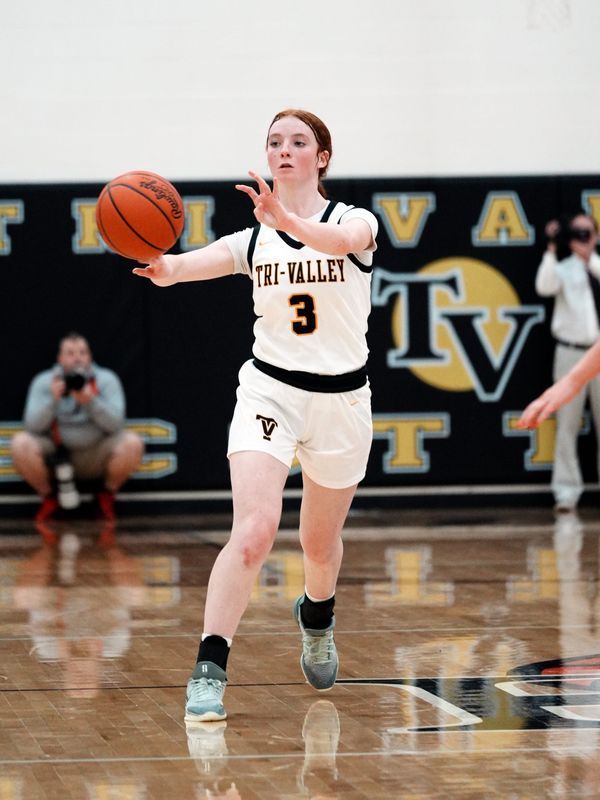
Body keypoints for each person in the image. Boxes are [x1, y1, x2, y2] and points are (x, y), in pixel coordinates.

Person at [133, 109, 378, 722]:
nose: (284, 150)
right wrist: (164, 269)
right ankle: (210, 667)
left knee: (318, 546)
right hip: (269, 392)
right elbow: (187, 264)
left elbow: (339, 245)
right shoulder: (252, 239)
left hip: (343, 400)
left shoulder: (354, 221)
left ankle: (316, 616)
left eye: (299, 142)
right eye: (275, 142)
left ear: (322, 157)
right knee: (256, 530)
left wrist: (287, 219)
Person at [10, 332, 144, 522]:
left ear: (90, 357)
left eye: (82, 352)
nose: (77, 358)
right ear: (60, 358)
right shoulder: (44, 382)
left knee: (133, 443)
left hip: (96, 454)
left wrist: (91, 401)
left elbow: (116, 425)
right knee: (20, 444)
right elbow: (32, 427)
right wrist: (53, 401)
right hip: (57, 455)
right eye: (71, 353)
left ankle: (106, 496)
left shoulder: (106, 380)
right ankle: (49, 498)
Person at [529, 212, 600, 512]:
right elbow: (544, 287)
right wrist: (551, 247)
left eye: (588, 232)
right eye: (578, 234)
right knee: (567, 425)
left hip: (597, 350)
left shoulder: (597, 266)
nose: (583, 239)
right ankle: (566, 493)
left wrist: (590, 259)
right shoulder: (563, 268)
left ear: (596, 235)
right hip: (571, 352)